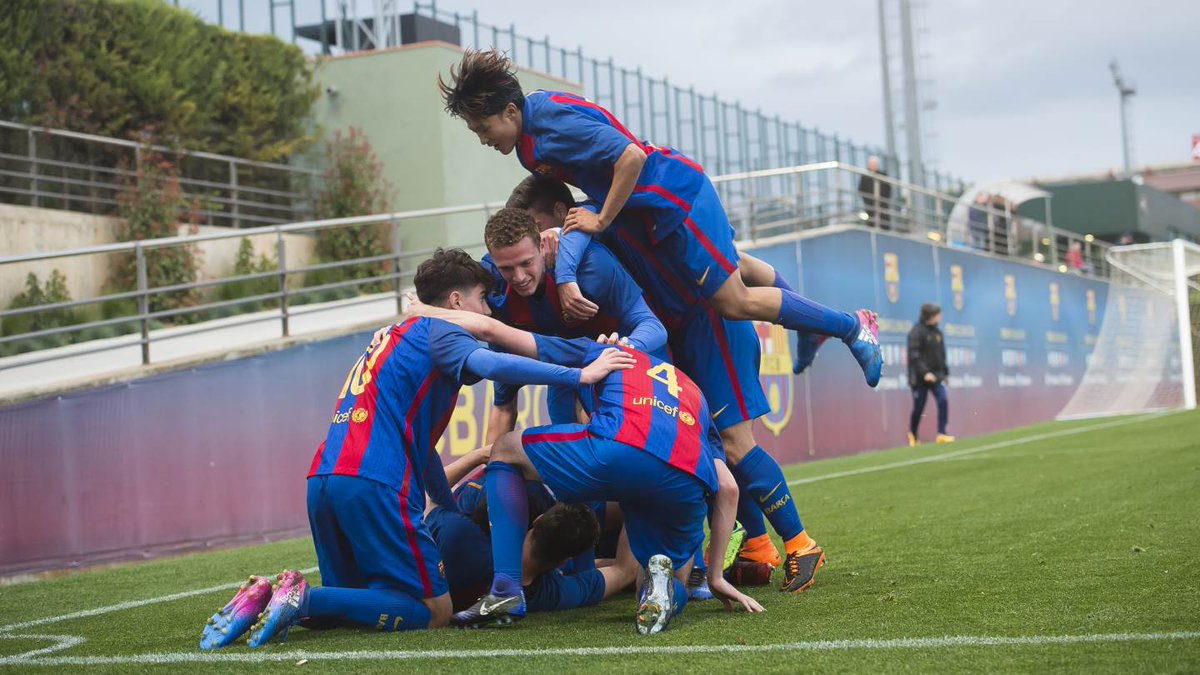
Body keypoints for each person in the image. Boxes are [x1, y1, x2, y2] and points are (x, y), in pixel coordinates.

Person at [198, 249, 635, 649]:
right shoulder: (440, 331)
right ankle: (301, 594)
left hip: (325, 479)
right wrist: (578, 376)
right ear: (457, 302)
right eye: (484, 298)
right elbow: (492, 362)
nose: (488, 311)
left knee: (351, 608)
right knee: (434, 614)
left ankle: (270, 594)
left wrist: (446, 508)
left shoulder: (394, 335)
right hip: (376, 480)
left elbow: (421, 450)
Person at [437, 49, 882, 389]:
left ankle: (849, 325)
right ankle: (811, 327)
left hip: (673, 197)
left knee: (734, 302)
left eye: (482, 128)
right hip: (645, 210)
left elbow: (630, 156)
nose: (482, 139)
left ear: (510, 111)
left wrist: (600, 219)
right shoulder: (531, 138)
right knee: (727, 263)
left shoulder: (550, 121)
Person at [508, 176, 828, 595]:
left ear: (557, 212)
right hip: (674, 338)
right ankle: (757, 545)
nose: (536, 239)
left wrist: (805, 318)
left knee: (732, 444)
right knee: (703, 448)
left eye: (537, 226)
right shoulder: (583, 237)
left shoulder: (621, 214)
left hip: (712, 328)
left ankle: (802, 545)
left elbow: (739, 261)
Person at [404, 300, 763, 634]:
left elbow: (492, 330)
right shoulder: (694, 394)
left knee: (506, 448)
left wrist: (423, 310)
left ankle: (506, 588)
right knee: (661, 577)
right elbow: (728, 488)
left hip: (621, 448)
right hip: (684, 479)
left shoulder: (601, 353)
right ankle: (661, 589)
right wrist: (716, 576)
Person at [480, 206, 666, 434]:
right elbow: (503, 404)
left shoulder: (592, 267)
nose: (519, 277)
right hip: (567, 373)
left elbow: (654, 326)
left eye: (526, 263)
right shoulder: (496, 293)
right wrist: (491, 464)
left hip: (625, 361)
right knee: (563, 429)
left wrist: (623, 347)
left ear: (542, 245)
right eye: (507, 268)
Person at [907, 303, 954, 447]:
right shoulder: (916, 332)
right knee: (919, 408)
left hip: (936, 376)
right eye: (938, 315)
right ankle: (913, 434)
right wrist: (925, 373)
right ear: (930, 316)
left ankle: (942, 433)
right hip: (920, 378)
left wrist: (945, 374)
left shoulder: (938, 333)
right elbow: (914, 356)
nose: (941, 317)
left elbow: (941, 355)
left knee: (943, 399)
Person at [857, 156, 893, 230]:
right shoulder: (865, 176)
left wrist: (884, 201)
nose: (873, 166)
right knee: (871, 222)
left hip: (882, 204)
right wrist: (867, 200)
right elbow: (861, 189)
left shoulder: (883, 175)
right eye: (872, 164)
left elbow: (888, 189)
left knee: (884, 222)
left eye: (874, 164)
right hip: (870, 205)